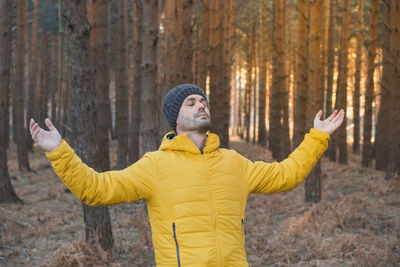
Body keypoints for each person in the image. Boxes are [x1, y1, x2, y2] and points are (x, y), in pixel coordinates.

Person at [30, 84, 344, 267]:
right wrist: (58, 150)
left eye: (203, 102)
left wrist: (316, 138)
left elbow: (286, 175)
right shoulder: (154, 166)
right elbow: (96, 189)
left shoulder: (234, 162)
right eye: (191, 103)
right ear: (175, 117)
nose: (201, 106)